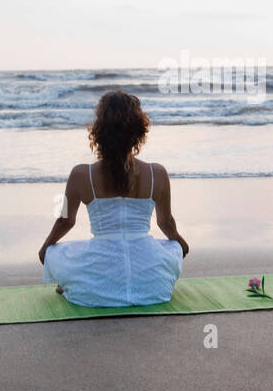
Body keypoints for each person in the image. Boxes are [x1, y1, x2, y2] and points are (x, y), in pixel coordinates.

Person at [38, 90, 189, 307]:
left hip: (96, 290)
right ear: (139, 130)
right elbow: (165, 223)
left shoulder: (81, 174)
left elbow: (65, 220)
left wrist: (45, 248)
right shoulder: (158, 173)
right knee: (172, 247)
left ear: (99, 130)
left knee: (56, 252)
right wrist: (181, 243)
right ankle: (146, 279)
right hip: (153, 289)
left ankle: (75, 282)